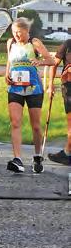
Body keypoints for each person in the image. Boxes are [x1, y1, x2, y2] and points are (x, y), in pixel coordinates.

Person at [4, 17, 55, 173]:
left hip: (33, 88)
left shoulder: (34, 43)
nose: (16, 35)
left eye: (19, 32)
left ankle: (37, 155)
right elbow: (9, 61)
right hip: (15, 88)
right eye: (14, 32)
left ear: (27, 31)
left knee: (36, 125)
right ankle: (17, 159)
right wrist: (6, 74)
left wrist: (40, 62)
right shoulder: (10, 43)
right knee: (15, 122)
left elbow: (51, 61)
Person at [47, 36, 71, 165]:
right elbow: (54, 64)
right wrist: (50, 85)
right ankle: (67, 153)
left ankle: (67, 153)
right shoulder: (67, 44)